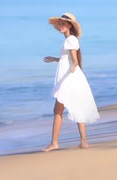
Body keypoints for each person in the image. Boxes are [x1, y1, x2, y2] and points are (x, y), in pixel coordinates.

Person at [43, 12, 100, 151]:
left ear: (70, 25)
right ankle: (84, 142)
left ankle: (54, 142)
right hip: (73, 77)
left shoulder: (70, 40)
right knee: (77, 108)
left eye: (63, 24)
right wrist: (55, 59)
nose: (61, 26)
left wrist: (74, 66)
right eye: (60, 24)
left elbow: (74, 60)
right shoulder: (70, 39)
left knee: (58, 110)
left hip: (69, 78)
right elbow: (67, 59)